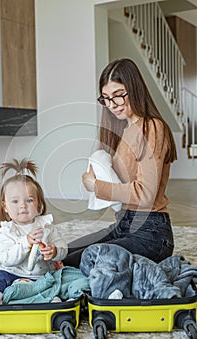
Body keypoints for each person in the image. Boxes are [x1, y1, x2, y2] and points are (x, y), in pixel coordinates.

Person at [63, 58, 177, 268]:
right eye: (106, 98)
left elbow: (145, 195)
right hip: (123, 224)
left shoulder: (152, 127)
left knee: (86, 261)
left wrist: (97, 187)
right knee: (62, 255)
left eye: (118, 95)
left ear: (134, 89)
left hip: (151, 232)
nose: (112, 104)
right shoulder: (122, 130)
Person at [0, 158, 68, 306]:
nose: (22, 206)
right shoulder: (7, 231)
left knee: (62, 277)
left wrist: (55, 252)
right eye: (15, 202)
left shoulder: (47, 226)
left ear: (39, 203)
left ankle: (52, 298)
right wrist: (25, 242)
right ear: (5, 207)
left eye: (29, 200)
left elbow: (63, 249)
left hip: (42, 276)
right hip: (12, 273)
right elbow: (7, 259)